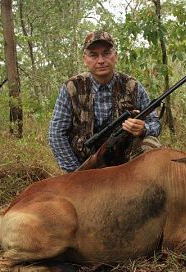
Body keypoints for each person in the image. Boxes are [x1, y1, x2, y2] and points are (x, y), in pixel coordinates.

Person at [49, 30, 161, 172]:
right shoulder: (72, 88)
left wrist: (144, 129)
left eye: (106, 53)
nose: (101, 60)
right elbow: (56, 134)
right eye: (93, 55)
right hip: (84, 162)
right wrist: (74, 173)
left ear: (116, 56)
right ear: (85, 59)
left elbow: (155, 122)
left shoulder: (132, 86)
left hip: (127, 163)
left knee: (150, 143)